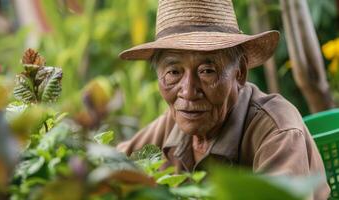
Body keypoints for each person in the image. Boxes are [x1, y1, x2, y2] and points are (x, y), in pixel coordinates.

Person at [117, 0, 330, 199]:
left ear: (240, 73)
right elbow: (108, 163)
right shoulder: (175, 121)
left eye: (207, 71)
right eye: (173, 72)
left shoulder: (278, 129)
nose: (189, 92)